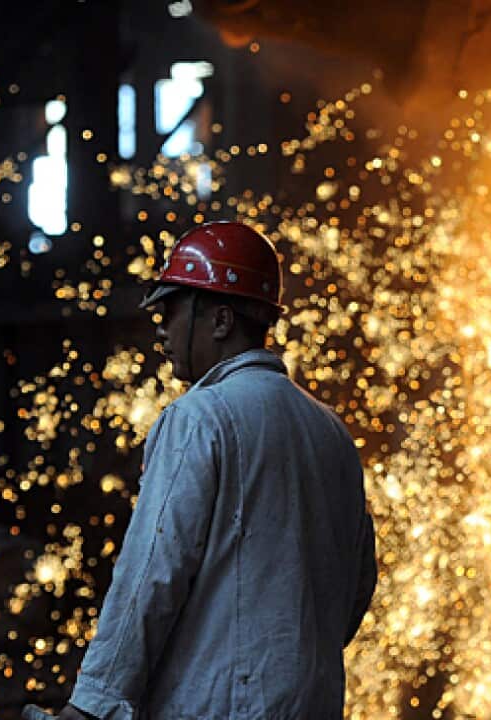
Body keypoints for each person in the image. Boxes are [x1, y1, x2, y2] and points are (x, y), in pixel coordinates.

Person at [56, 221, 377, 719]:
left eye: (173, 309)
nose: (160, 326)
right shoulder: (331, 431)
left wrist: (92, 703)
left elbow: (150, 575)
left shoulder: (198, 418)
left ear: (221, 320)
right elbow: (357, 585)